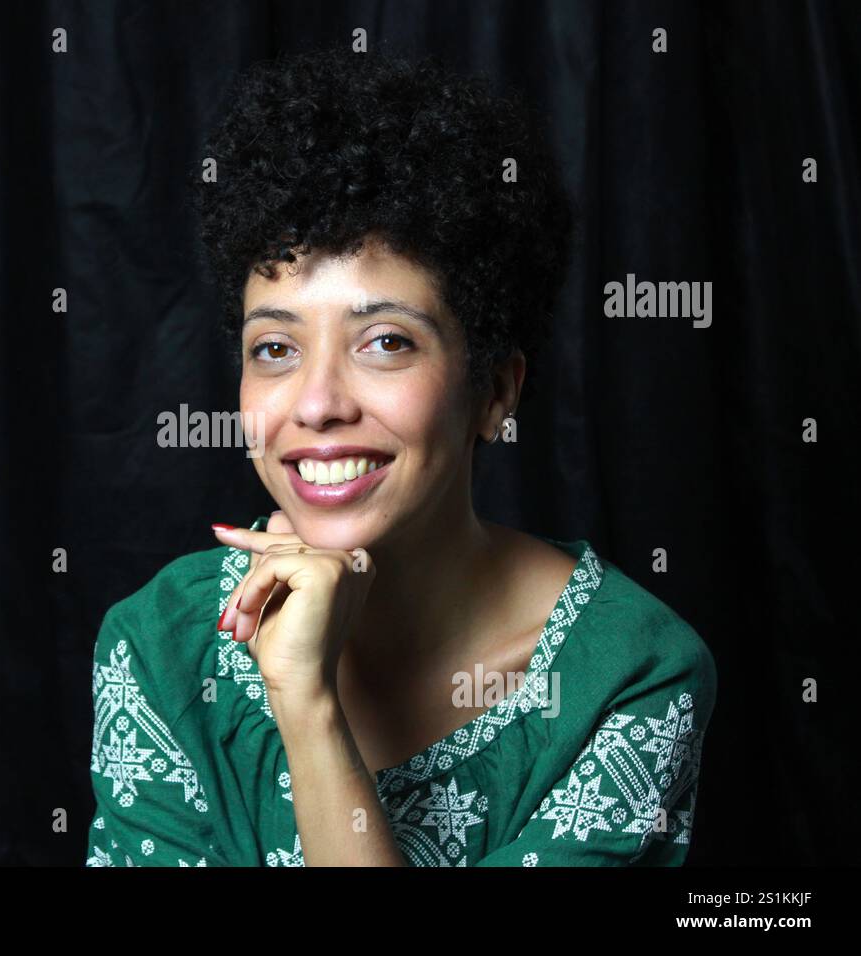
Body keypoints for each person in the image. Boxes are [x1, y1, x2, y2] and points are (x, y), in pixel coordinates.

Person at [86, 46, 716, 867]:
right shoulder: (159, 647)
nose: (316, 404)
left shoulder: (631, 675)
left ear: (494, 392)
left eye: (385, 342)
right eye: (274, 348)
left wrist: (305, 703)